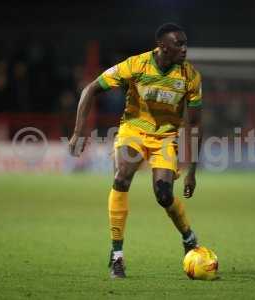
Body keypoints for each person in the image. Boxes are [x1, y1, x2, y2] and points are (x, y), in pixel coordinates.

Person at [69, 23, 203, 279]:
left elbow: (195, 125)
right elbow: (90, 89)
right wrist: (77, 132)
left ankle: (188, 235)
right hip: (133, 131)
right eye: (179, 44)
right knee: (122, 176)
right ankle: (116, 255)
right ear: (163, 47)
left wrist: (192, 170)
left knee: (163, 195)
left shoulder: (190, 76)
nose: (185, 49)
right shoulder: (135, 65)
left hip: (165, 138)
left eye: (186, 43)